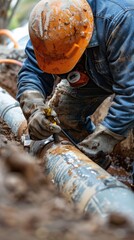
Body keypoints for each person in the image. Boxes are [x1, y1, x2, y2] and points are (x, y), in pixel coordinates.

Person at [17, 0, 134, 170]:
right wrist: (34, 109)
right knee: (62, 117)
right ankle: (93, 173)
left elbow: (131, 93)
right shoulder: (49, 27)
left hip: (126, 64)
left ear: (82, 36)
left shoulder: (120, 20)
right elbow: (32, 71)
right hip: (95, 69)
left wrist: (103, 139)